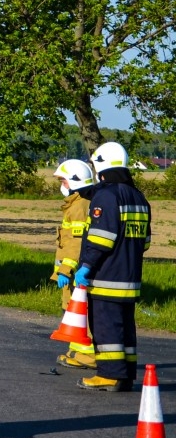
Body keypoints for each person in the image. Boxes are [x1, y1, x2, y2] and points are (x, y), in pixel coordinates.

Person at [73, 142, 151, 392]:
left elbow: (100, 238)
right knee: (125, 328)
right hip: (130, 276)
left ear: (101, 165)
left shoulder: (106, 196)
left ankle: (108, 374)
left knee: (106, 327)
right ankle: (125, 374)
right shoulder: (138, 196)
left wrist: (85, 266)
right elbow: (145, 241)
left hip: (107, 276)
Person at [51, 159, 96, 370]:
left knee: (80, 312)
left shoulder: (78, 207)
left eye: (63, 181)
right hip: (73, 271)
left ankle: (85, 355)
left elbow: (75, 244)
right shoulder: (78, 203)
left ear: (74, 181)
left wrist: (65, 270)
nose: (61, 185)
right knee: (74, 312)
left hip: (75, 272)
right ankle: (76, 350)